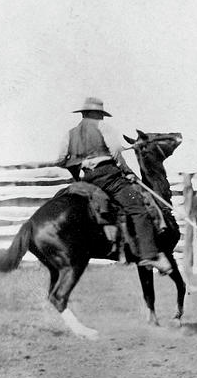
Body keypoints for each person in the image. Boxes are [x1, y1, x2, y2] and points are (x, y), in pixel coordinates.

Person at [54, 97, 172, 274]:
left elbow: (60, 160)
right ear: (97, 113)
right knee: (138, 207)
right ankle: (150, 254)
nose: (101, 118)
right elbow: (116, 151)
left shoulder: (70, 133)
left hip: (87, 179)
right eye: (100, 114)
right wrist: (127, 171)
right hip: (109, 177)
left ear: (83, 113)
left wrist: (79, 163)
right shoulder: (103, 128)